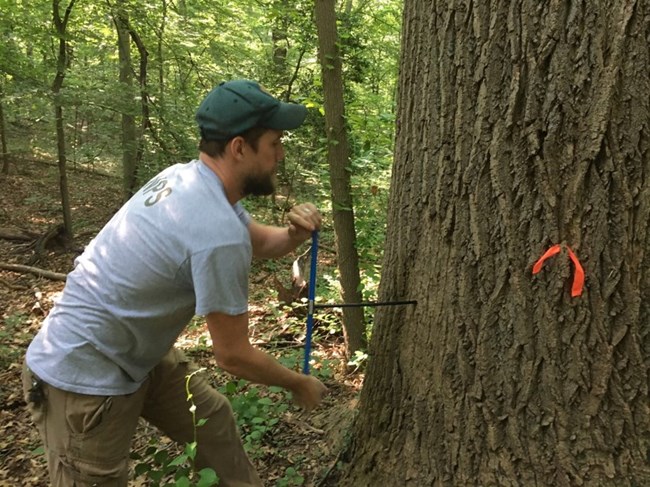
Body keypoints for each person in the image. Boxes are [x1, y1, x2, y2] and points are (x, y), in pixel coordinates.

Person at [22, 79, 328, 486]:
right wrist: (298, 382)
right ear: (239, 148)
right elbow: (233, 356)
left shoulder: (190, 179)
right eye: (274, 143)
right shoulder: (213, 229)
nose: (281, 154)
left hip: (133, 352)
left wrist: (294, 235)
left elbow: (260, 242)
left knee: (212, 423)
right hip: (82, 377)